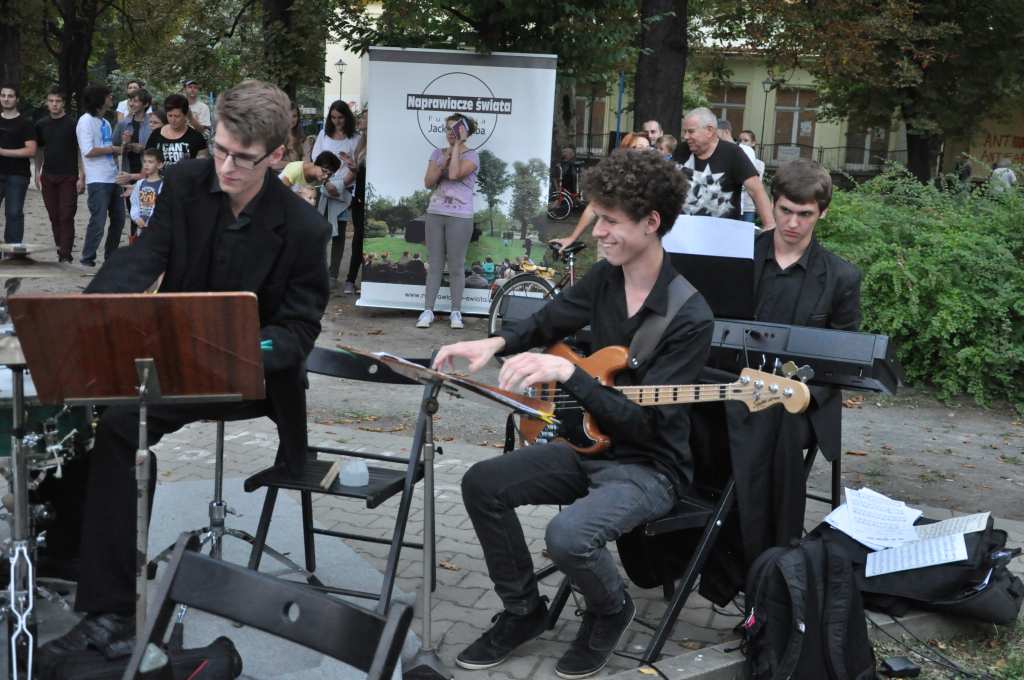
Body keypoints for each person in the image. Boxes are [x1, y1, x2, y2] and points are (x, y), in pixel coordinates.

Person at [38, 79, 330, 667]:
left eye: (242, 158)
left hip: (250, 373)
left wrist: (242, 346)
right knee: (74, 399)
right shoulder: (185, 182)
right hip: (174, 356)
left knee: (123, 426)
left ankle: (116, 615)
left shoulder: (305, 230)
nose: (225, 165)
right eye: (219, 149)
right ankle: (69, 552)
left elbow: (299, 330)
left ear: (276, 156)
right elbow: (143, 258)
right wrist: (87, 318)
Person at [433, 149, 712, 679]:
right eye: (597, 216)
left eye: (610, 221)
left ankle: (611, 610)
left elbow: (645, 423)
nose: (597, 231)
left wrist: (570, 377)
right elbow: (548, 320)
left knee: (567, 535)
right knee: (482, 484)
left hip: (651, 467)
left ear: (652, 223)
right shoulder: (605, 278)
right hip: (587, 447)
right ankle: (524, 611)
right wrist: (491, 343)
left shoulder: (688, 314)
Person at [417, 113, 479, 330]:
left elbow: (453, 175)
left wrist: (456, 148)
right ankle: (427, 311)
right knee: (434, 264)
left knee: (456, 265)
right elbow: (428, 182)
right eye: (448, 129)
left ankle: (455, 312)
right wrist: (443, 159)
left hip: (460, 217)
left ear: (465, 132)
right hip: (435, 213)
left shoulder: (472, 156)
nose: (451, 133)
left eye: (456, 129)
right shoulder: (437, 153)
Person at [550, 133, 652, 251]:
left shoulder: (653, 178)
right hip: (612, 241)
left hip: (639, 244)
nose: (645, 152)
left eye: (648, 147)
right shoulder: (615, 175)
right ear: (626, 150)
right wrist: (572, 237)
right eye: (639, 147)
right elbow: (593, 208)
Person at [678, 107, 774, 226]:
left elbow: (756, 191)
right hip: (684, 232)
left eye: (691, 131)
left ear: (709, 130)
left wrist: (770, 227)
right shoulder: (682, 150)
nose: (685, 136)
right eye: (684, 131)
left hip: (723, 236)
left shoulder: (733, 153)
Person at [312, 100, 359, 288]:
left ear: (346, 117)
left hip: (344, 191)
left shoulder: (355, 137)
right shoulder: (323, 135)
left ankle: (333, 275)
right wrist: (326, 181)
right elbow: (315, 160)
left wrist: (340, 185)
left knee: (338, 234)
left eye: (340, 117)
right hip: (324, 188)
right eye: (333, 117)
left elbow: (355, 164)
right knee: (319, 232)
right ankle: (317, 272)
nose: (337, 121)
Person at [76, 83, 124, 266]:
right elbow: (87, 150)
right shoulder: (85, 121)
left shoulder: (105, 123)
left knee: (119, 219)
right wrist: (111, 149)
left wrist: (115, 152)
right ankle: (87, 257)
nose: (112, 98)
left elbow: (104, 148)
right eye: (109, 96)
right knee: (98, 220)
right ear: (99, 99)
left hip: (113, 176)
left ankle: (110, 258)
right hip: (97, 179)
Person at [34, 86, 83, 261]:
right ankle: (60, 249)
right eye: (51, 101)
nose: (54, 104)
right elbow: (38, 150)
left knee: (66, 215)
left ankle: (65, 254)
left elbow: (80, 151)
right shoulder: (41, 125)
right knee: (54, 216)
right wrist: (36, 172)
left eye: (58, 101)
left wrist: (81, 175)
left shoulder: (73, 124)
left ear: (63, 103)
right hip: (48, 175)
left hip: (69, 175)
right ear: (47, 103)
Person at [0, 83, 38, 244]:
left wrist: (2, 152)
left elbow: (31, 151)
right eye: (3, 95)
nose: (6, 99)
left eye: (10, 96)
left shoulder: (25, 123)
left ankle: (13, 253)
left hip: (17, 175)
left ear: (17, 99)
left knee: (14, 213)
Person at [718, 119, 765, 224]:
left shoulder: (746, 151)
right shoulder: (718, 149)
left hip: (741, 205)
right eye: (741, 139)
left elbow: (750, 183)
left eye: (746, 140)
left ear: (725, 131)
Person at [342, 107, 368, 295]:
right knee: (358, 238)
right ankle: (350, 280)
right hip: (358, 195)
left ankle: (365, 281)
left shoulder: (378, 143)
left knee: (365, 238)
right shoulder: (361, 142)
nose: (360, 120)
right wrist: (353, 166)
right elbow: (361, 172)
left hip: (369, 196)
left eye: (364, 117)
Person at [146, 94, 208, 165]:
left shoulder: (197, 137)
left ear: (185, 115)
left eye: (177, 116)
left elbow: (202, 167)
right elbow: (147, 163)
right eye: (170, 115)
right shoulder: (156, 134)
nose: (173, 120)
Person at [128, 148, 164, 234]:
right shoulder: (140, 183)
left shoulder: (164, 185)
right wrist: (136, 218)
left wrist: (151, 221)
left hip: (157, 228)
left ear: (160, 165)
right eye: (144, 161)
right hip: (141, 227)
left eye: (150, 162)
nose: (146, 165)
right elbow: (134, 203)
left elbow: (163, 207)